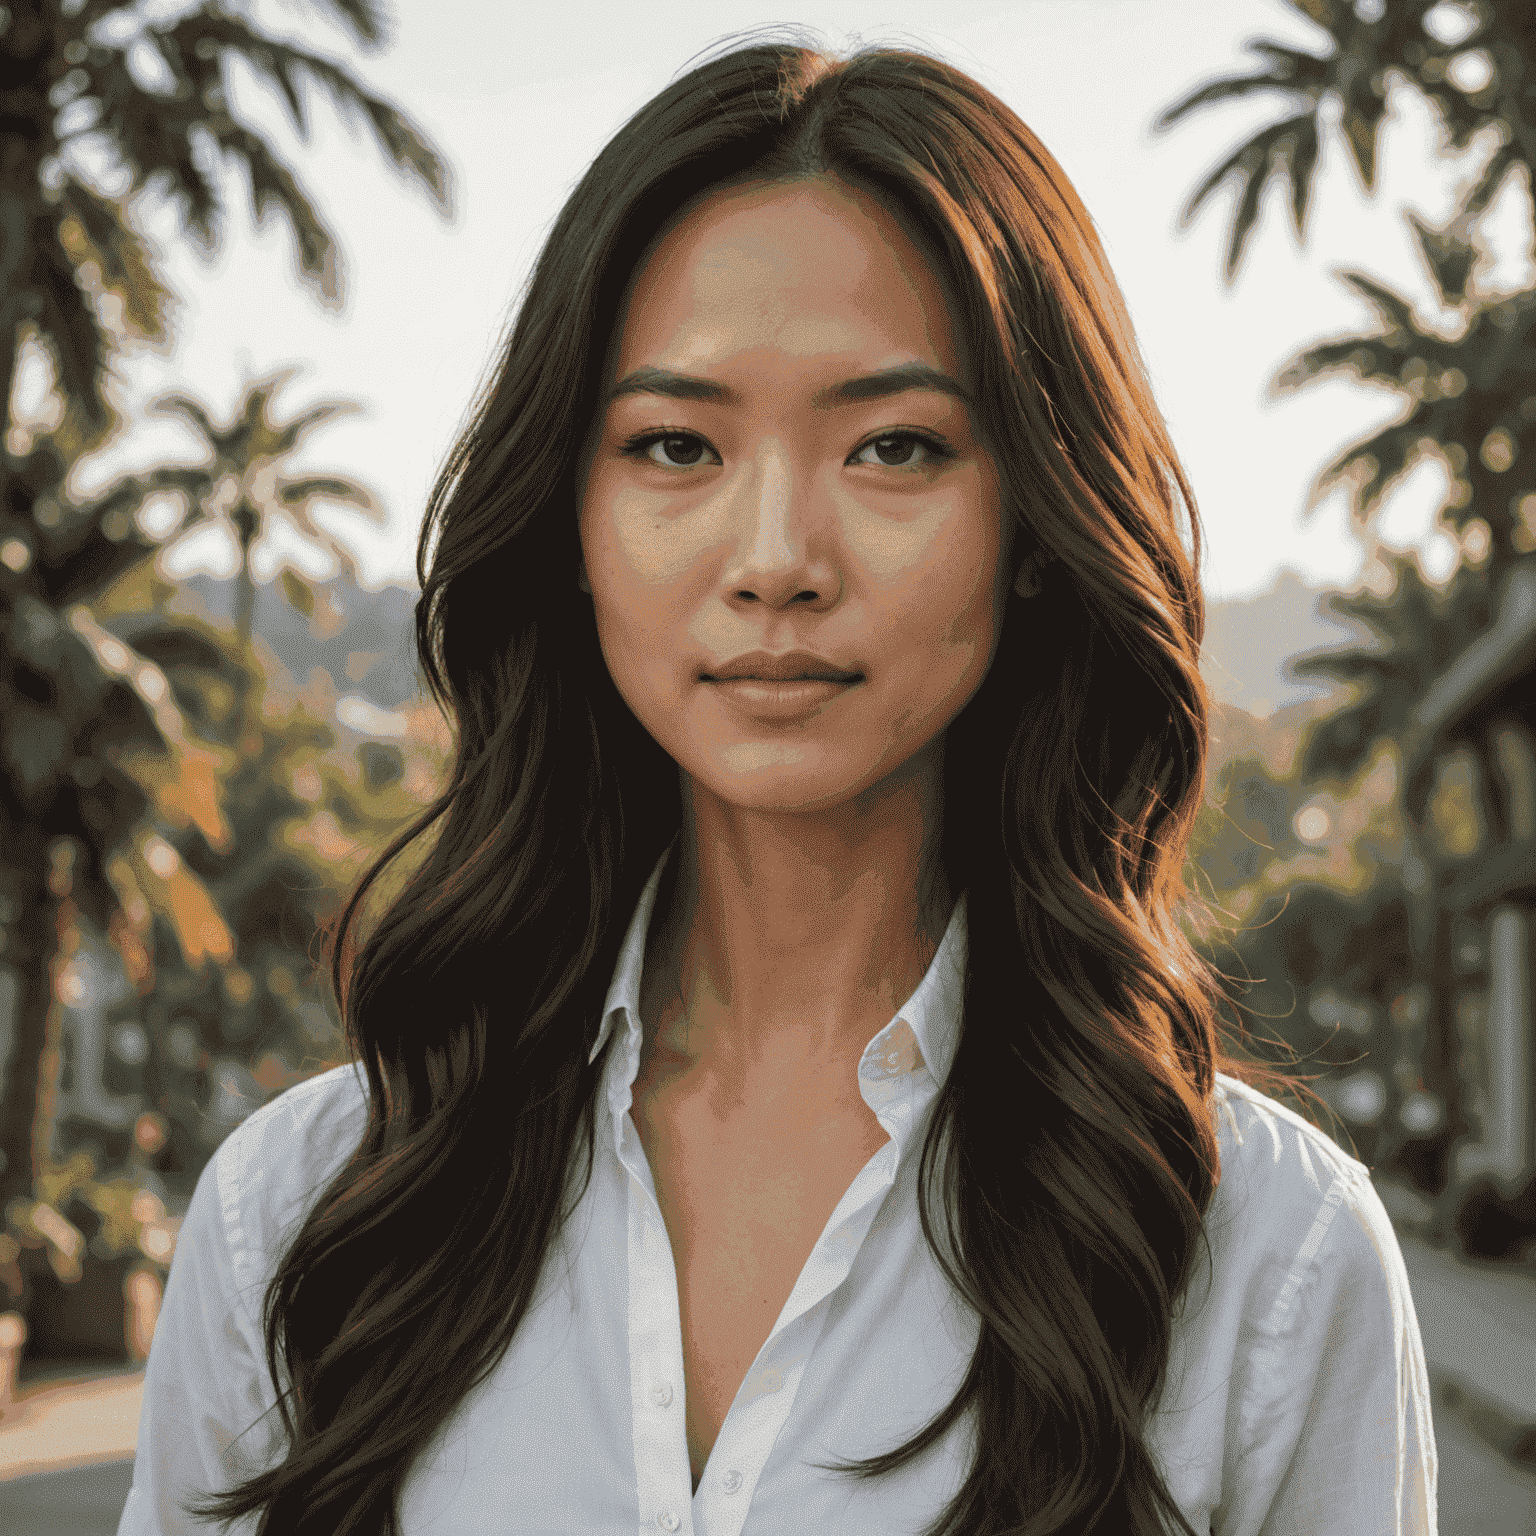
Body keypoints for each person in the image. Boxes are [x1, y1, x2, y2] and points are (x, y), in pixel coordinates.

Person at [118, 36, 1437, 1536]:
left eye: (894, 447)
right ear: (572, 516)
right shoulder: (305, 1217)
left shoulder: (1269, 1259)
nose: (775, 562)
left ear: (1034, 522)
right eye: (676, 444)